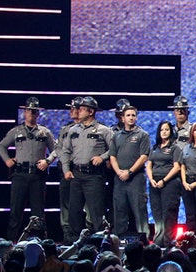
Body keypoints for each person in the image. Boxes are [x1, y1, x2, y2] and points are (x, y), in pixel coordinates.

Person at [0, 97, 57, 240]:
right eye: (29, 110)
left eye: (34, 111)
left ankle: (40, 243)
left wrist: (48, 161)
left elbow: (57, 149)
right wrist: (7, 160)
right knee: (16, 211)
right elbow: (2, 146)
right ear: (24, 112)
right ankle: (11, 243)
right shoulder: (16, 131)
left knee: (38, 213)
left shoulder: (44, 132)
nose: (31, 113)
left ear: (38, 114)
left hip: (37, 176)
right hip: (20, 175)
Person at [62, 96, 113, 240]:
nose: (78, 111)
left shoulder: (103, 130)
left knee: (96, 212)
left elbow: (115, 149)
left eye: (82, 109)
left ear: (90, 112)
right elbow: (65, 150)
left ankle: (99, 242)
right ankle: (74, 243)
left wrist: (102, 157)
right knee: (74, 211)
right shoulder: (73, 130)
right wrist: (66, 170)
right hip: (76, 175)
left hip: (94, 176)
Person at [108, 104, 151, 237]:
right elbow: (112, 156)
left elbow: (144, 156)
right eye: (128, 115)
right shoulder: (116, 136)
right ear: (122, 118)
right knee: (119, 210)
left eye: (133, 115)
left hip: (136, 179)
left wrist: (129, 172)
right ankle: (118, 242)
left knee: (139, 211)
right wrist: (119, 172)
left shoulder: (142, 135)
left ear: (136, 118)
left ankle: (144, 241)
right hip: (119, 179)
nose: (131, 118)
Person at [146, 121, 183, 247]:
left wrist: (164, 180)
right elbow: (149, 165)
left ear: (171, 131)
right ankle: (158, 242)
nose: (164, 132)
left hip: (170, 183)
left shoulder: (175, 148)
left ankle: (169, 244)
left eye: (167, 129)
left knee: (169, 214)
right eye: (162, 130)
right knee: (157, 213)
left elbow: (177, 167)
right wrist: (151, 179)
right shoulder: (155, 148)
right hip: (154, 183)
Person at [56, 99, 82, 242]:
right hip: (66, 170)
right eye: (71, 108)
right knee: (65, 203)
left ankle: (85, 233)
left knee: (84, 205)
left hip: (81, 170)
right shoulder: (65, 129)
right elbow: (59, 148)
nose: (71, 111)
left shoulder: (91, 129)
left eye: (74, 108)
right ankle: (68, 234)